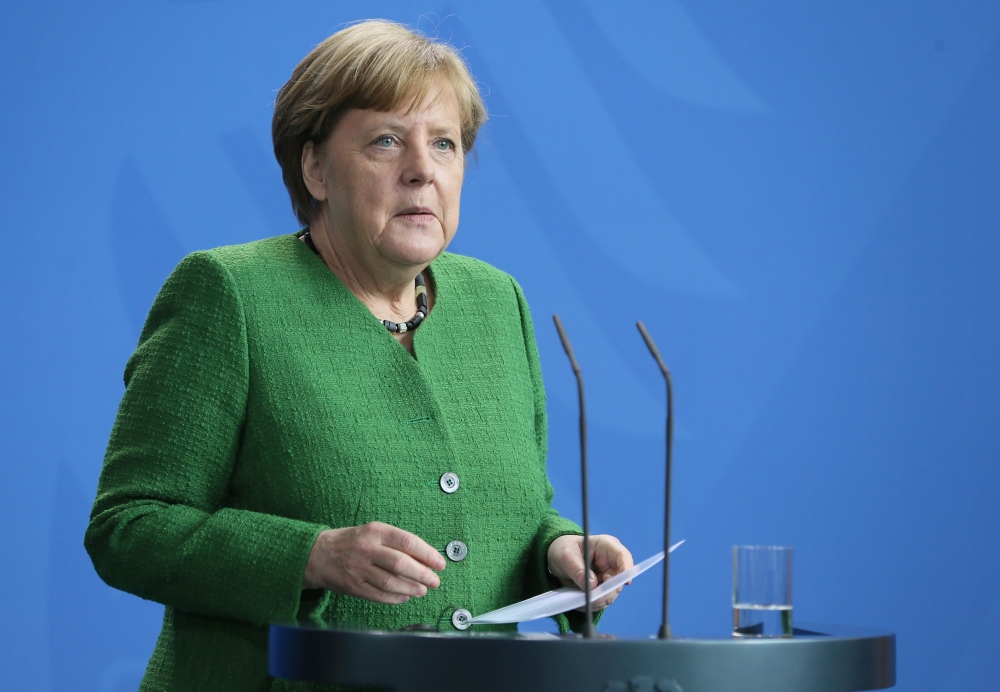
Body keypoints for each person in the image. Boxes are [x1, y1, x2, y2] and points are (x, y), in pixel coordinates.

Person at [85, 19, 634, 691]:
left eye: (445, 144)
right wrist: (309, 556)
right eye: (385, 141)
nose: (422, 171)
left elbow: (513, 509)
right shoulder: (229, 294)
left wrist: (558, 551)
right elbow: (128, 527)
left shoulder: (498, 303)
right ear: (314, 167)